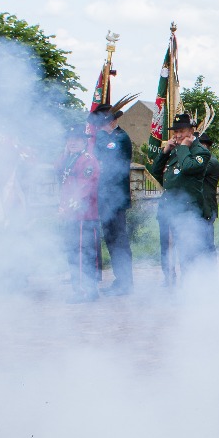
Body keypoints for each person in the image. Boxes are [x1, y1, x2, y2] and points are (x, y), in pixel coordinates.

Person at [147, 113, 216, 283]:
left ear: (192, 131)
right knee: (168, 248)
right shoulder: (174, 152)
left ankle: (189, 286)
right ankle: (170, 280)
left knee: (187, 252)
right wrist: (165, 152)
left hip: (187, 211)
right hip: (169, 210)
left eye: (181, 131)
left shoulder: (200, 152)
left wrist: (184, 146)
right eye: (175, 131)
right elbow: (155, 173)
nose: (177, 135)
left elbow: (187, 168)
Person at [90, 104, 134, 295]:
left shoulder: (120, 138)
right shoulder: (104, 138)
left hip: (116, 198)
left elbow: (108, 157)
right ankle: (120, 279)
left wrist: (99, 137)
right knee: (110, 239)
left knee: (119, 240)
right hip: (105, 198)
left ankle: (126, 282)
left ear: (113, 121)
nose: (99, 128)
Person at [58, 122, 101, 302]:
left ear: (84, 142)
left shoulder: (88, 160)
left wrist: (66, 207)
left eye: (76, 140)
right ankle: (79, 289)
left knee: (84, 253)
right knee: (74, 253)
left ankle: (86, 291)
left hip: (84, 215)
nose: (72, 143)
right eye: (69, 140)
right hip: (72, 214)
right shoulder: (71, 158)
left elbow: (85, 188)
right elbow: (57, 169)